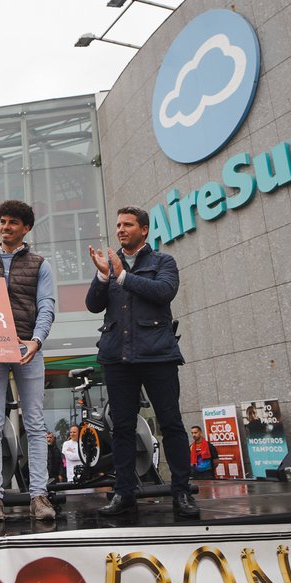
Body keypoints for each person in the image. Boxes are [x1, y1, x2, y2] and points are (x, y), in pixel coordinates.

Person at [85, 206, 198, 520]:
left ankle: (182, 492)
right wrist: (102, 275)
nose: (120, 229)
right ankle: (124, 494)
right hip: (117, 357)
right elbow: (93, 305)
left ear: (144, 230)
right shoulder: (109, 265)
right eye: (118, 224)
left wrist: (122, 275)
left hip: (157, 354)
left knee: (171, 423)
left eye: (128, 224)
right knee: (121, 428)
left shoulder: (163, 261)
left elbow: (164, 292)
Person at [0, 200, 57, 523]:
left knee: (35, 423)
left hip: (27, 350)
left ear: (26, 228)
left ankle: (39, 494)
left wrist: (36, 342)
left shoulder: (40, 264)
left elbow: (47, 305)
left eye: (12, 223)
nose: (6, 227)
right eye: (3, 221)